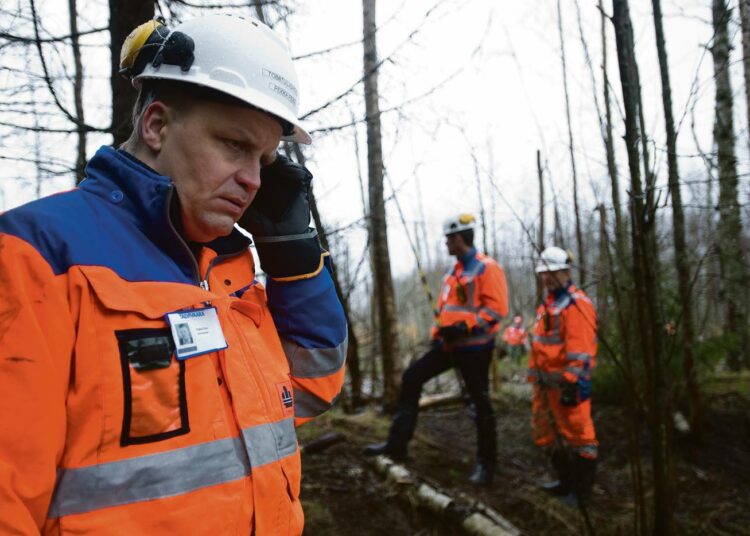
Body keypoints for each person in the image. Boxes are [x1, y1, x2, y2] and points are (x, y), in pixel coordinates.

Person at [0, 15, 347, 535]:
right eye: (234, 144)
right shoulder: (37, 254)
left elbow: (311, 385)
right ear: (157, 125)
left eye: (262, 158)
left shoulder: (226, 269)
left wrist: (296, 261)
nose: (253, 179)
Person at [364, 213, 508, 486]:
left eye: (448, 239)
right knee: (412, 377)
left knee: (480, 402)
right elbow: (446, 312)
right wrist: (438, 333)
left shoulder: (488, 268)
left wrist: (465, 328)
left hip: (476, 348)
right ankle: (396, 447)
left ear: (459, 238)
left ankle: (486, 466)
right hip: (448, 346)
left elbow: (496, 310)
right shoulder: (451, 275)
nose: (445, 244)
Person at [528, 246, 598, 507]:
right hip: (545, 386)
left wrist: (571, 382)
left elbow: (581, 349)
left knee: (581, 437)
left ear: (565, 272)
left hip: (569, 385)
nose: (547, 278)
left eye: (552, 273)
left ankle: (581, 493)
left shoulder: (576, 304)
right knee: (545, 434)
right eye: (543, 273)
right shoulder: (548, 305)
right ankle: (565, 481)